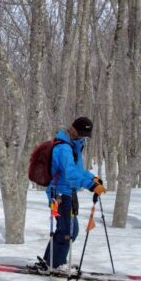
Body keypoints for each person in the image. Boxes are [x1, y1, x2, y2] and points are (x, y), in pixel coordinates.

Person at [38, 116, 106, 272]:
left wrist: (92, 178)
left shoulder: (73, 146)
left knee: (64, 229)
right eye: (81, 133)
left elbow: (78, 170)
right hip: (59, 194)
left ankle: (49, 262)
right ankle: (56, 265)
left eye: (85, 135)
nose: (82, 137)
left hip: (67, 192)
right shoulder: (64, 148)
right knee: (69, 230)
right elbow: (70, 174)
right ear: (73, 129)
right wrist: (91, 185)